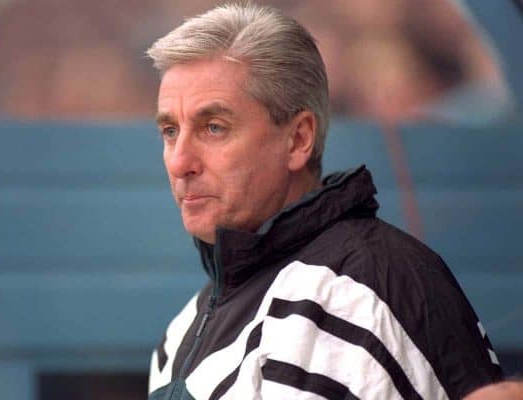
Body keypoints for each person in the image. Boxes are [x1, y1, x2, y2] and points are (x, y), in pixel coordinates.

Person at [145, 4, 503, 399]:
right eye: (169, 131)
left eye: (214, 128)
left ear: (298, 140)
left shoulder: (359, 293)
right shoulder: (179, 335)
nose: (180, 162)